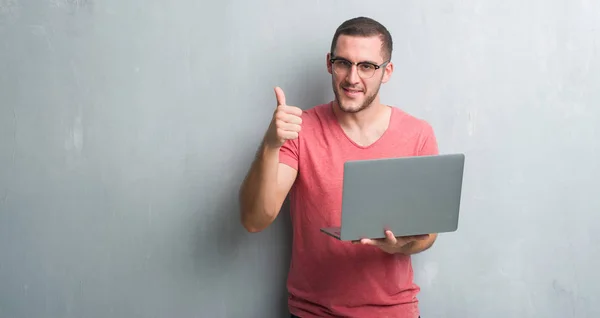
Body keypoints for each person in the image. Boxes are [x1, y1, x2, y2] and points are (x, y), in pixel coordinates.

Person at [239, 16, 439, 318]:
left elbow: (428, 235)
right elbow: (255, 219)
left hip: (393, 312)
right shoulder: (300, 129)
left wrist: (396, 248)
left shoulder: (418, 134)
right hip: (313, 313)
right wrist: (270, 145)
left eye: (367, 66)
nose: (352, 78)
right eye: (343, 63)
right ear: (329, 63)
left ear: (387, 72)